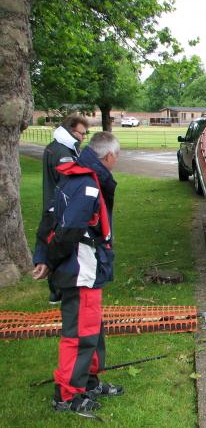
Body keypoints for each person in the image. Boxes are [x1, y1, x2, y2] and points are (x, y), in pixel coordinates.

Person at [32, 132, 123, 413]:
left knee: (93, 330)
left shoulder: (78, 176)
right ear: (108, 157)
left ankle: (88, 382)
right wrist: (51, 260)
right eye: (116, 158)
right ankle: (67, 396)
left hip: (87, 270)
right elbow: (66, 229)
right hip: (80, 271)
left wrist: (44, 255)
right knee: (80, 333)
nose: (116, 162)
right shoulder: (86, 184)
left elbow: (49, 215)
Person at [33, 115, 89, 305]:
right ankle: (58, 290)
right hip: (59, 208)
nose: (83, 137)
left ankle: (58, 288)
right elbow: (68, 180)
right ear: (72, 131)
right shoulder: (62, 152)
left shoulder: (54, 147)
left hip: (54, 205)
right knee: (60, 245)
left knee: (55, 243)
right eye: (82, 133)